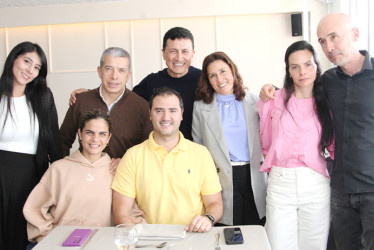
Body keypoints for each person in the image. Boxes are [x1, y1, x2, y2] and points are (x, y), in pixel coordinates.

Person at [260, 13, 374, 250]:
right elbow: (296, 93)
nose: (328, 46)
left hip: (366, 186)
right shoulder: (328, 82)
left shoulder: (333, 86)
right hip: (338, 188)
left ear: (355, 34)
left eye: (333, 37)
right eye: (322, 40)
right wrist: (269, 89)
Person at [112, 87, 223, 233]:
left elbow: (215, 204)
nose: (166, 117)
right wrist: (139, 240)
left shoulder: (201, 154)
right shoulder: (132, 156)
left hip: (193, 237)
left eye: (172, 110)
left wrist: (208, 218)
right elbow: (121, 213)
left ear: (181, 114)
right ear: (150, 114)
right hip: (149, 241)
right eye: (159, 111)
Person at [257, 40, 334, 250]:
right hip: (281, 183)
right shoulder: (274, 99)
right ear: (288, 71)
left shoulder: (328, 102)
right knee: (277, 245)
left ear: (317, 66)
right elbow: (265, 141)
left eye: (308, 64)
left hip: (316, 183)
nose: (302, 72)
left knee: (314, 246)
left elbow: (334, 144)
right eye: (295, 66)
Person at [69, 27, 200, 140]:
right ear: (163, 54)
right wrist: (89, 93)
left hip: (194, 153)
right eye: (173, 51)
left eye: (185, 51)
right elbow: (121, 97)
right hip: (158, 152)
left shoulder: (203, 80)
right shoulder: (151, 82)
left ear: (193, 54)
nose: (179, 57)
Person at [192, 51, 266, 226]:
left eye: (223, 71)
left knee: (255, 231)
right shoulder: (200, 108)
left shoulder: (255, 101)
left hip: (254, 176)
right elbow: (198, 148)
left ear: (233, 71)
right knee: (226, 232)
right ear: (207, 80)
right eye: (213, 75)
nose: (219, 79)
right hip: (221, 179)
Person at [0, 41, 63, 250]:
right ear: (13, 59)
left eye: (37, 67)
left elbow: (54, 143)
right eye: (27, 61)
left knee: (21, 234)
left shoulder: (43, 97)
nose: (30, 70)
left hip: (29, 176)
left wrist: (60, 181)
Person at [59, 47, 153, 173]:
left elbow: (149, 149)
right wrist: (63, 171)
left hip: (125, 177)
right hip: (85, 175)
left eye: (121, 70)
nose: (114, 76)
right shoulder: (81, 101)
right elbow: (62, 142)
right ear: (100, 71)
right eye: (109, 69)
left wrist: (127, 161)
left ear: (128, 75)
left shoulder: (142, 107)